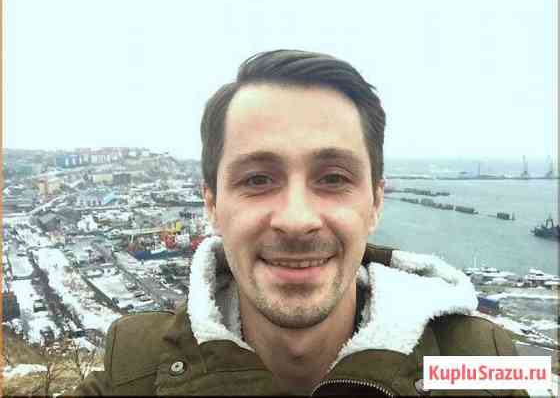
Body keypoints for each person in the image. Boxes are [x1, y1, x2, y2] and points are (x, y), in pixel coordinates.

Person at [74, 50, 527, 396]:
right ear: (211, 204)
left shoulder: (479, 364)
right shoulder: (133, 372)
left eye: (333, 178)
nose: (296, 219)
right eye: (257, 179)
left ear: (375, 202)